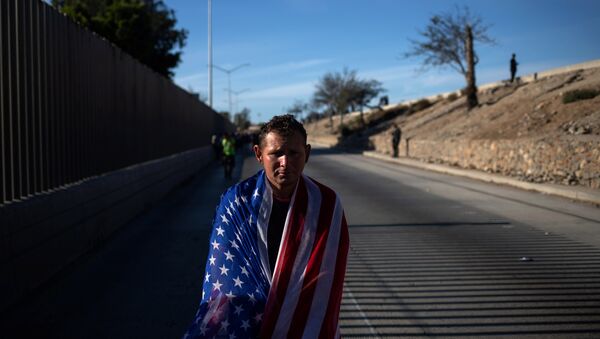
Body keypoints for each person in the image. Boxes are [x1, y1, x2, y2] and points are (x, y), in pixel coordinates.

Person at [184, 115, 349, 339]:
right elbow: (226, 278)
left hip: (302, 323)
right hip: (249, 321)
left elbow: (328, 276)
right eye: (276, 153)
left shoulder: (325, 203)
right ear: (259, 154)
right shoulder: (237, 201)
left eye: (294, 153)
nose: (285, 162)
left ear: (307, 153)